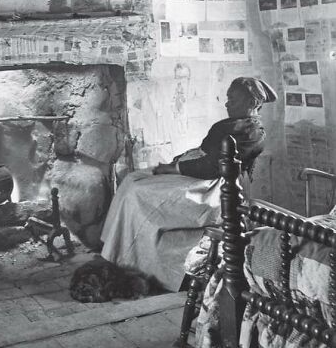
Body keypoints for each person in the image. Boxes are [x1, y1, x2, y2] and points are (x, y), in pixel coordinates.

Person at [99, 77, 277, 292]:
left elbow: (213, 166)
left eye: (234, 100)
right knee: (132, 180)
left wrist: (173, 168)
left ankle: (134, 258)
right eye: (228, 99)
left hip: (218, 188)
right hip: (199, 176)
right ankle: (119, 253)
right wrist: (178, 162)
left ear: (253, 103)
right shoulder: (230, 124)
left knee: (139, 192)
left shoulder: (254, 133)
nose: (227, 104)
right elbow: (205, 155)